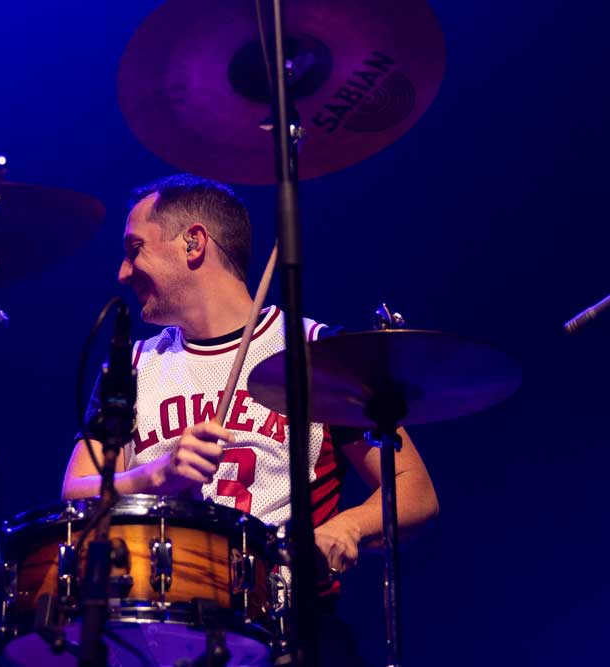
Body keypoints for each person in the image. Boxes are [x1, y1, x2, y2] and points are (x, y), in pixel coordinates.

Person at [62, 173, 439, 587]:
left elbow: (415, 490)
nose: (122, 272)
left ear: (194, 242)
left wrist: (347, 526)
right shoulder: (131, 366)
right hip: (155, 617)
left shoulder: (315, 352)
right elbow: (76, 496)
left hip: (286, 620)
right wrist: (158, 476)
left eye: (135, 250)